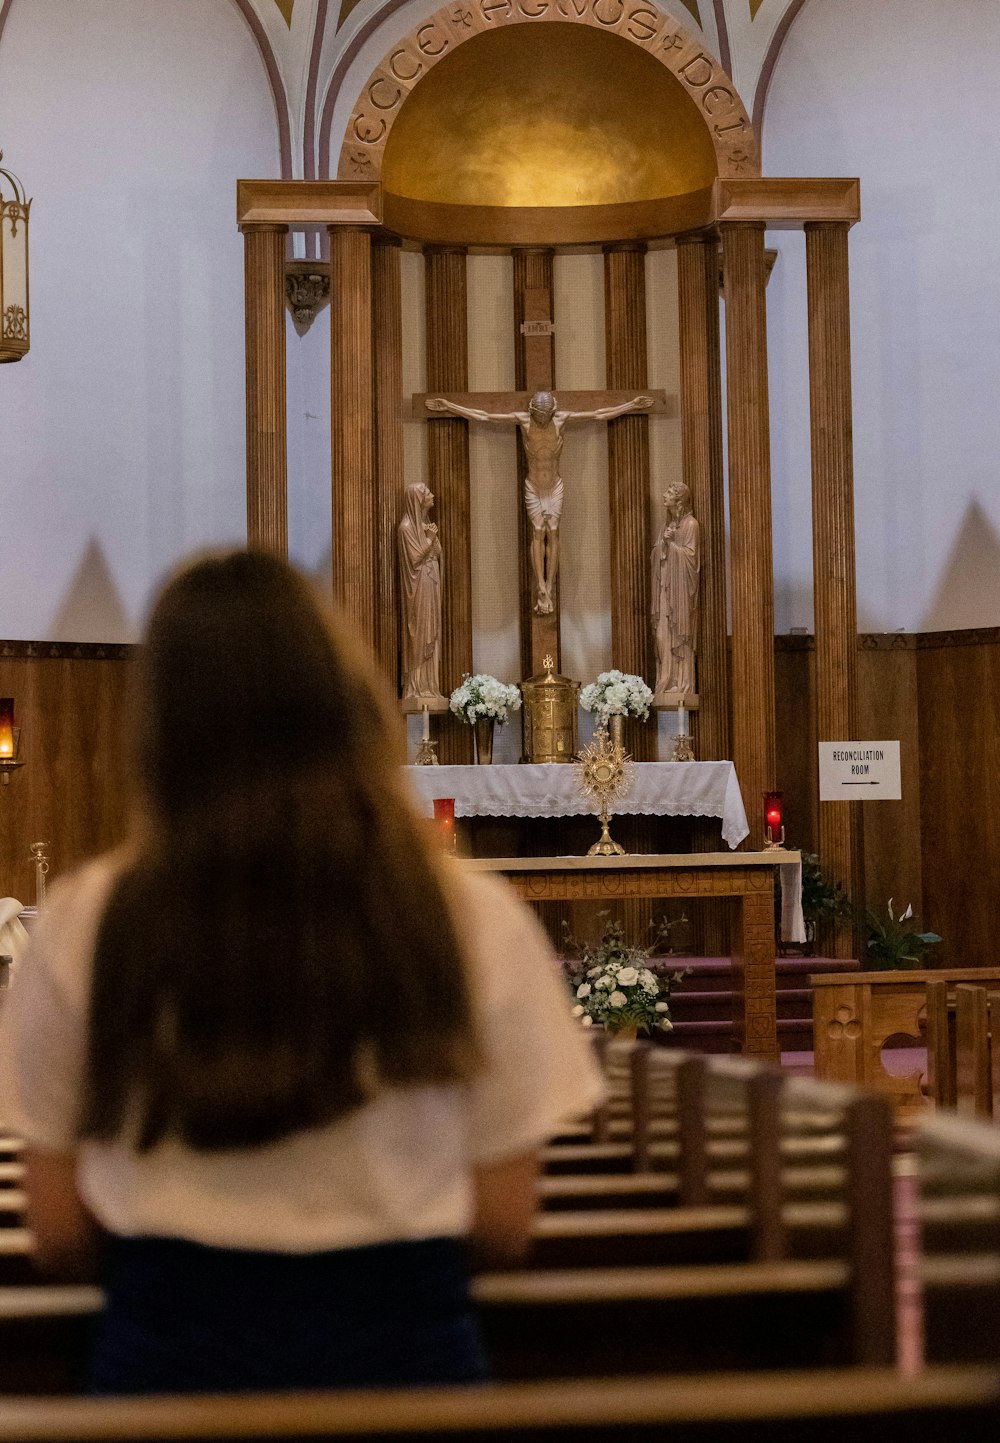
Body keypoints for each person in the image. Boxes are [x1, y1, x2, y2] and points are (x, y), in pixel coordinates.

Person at [1, 551, 602, 1395]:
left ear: (161, 726)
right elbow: (503, 1223)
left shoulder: (86, 920)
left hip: (170, 1366)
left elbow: (58, 1230)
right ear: (342, 699)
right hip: (408, 1360)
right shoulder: (471, 914)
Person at [426, 391, 653, 615]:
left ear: (552, 411)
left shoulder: (561, 420)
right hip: (533, 486)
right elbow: (484, 416)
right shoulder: (524, 420)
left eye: (545, 415)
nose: (541, 419)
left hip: (554, 486)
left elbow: (599, 414)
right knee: (537, 532)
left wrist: (632, 405)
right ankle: (540, 587)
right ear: (532, 410)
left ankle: (549, 586)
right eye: (538, 415)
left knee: (553, 532)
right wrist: (449, 406)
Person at [651, 481, 701, 699]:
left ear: (679, 500)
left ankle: (680, 682)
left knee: (676, 635)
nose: (665, 494)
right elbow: (655, 557)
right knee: (662, 636)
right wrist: (663, 543)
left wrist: (671, 545)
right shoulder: (666, 526)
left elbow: (692, 560)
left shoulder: (691, 525)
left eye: (670, 492)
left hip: (680, 595)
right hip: (665, 588)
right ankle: (666, 679)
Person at [397, 482, 446, 705]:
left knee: (433, 631)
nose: (432, 494)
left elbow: (436, 554)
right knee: (420, 634)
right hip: (418, 590)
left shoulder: (425, 525)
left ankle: (430, 686)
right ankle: (416, 685)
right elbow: (416, 558)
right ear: (418, 499)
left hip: (431, 585)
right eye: (427, 492)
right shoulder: (406, 528)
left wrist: (433, 542)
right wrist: (430, 539)